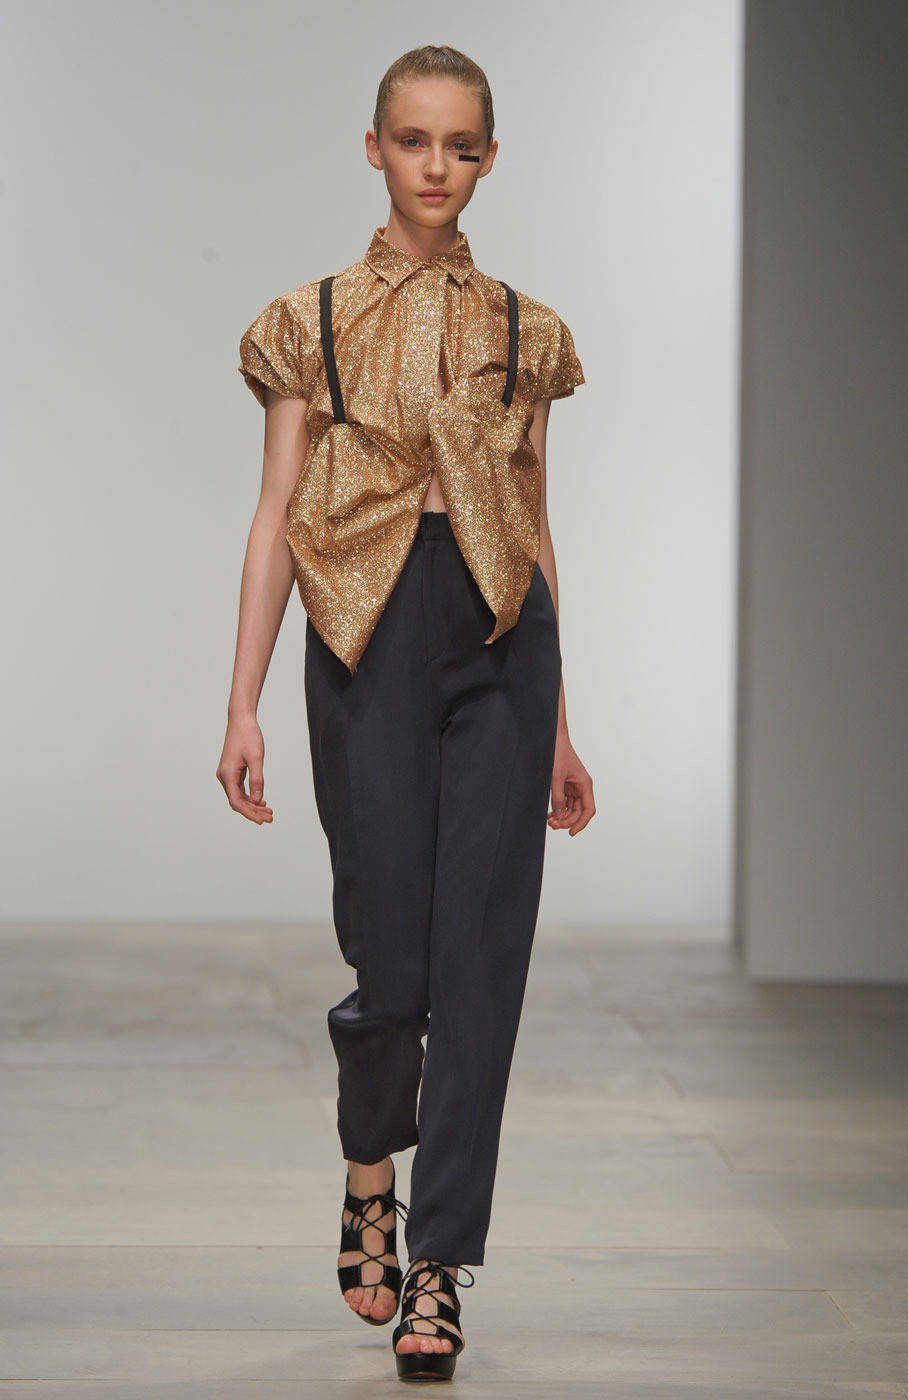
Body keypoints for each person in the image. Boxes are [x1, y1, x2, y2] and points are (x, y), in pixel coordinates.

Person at [216, 44, 596, 1383]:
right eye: (415, 140)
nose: (438, 166)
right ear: (373, 148)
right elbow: (275, 514)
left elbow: (535, 528)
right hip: (363, 634)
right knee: (391, 952)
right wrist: (242, 702)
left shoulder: (526, 334)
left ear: (489, 158)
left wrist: (561, 723)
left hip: (500, 644)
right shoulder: (307, 319)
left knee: (483, 958)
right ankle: (370, 1165)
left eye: (461, 145)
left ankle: (440, 1265)